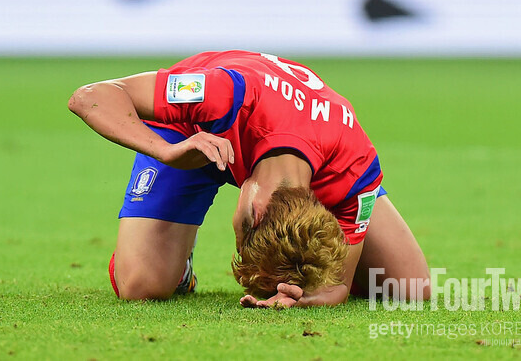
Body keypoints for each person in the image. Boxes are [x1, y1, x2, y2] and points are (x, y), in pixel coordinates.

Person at [68, 50, 430, 307]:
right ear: (254, 211)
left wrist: (299, 296)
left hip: (302, 141)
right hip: (193, 136)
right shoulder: (225, 93)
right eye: (240, 238)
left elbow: (337, 286)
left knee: (411, 288)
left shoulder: (353, 171)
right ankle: (179, 262)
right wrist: (166, 151)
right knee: (142, 286)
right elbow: (91, 97)